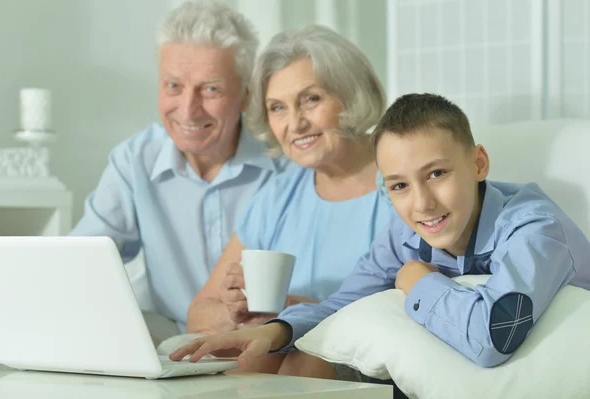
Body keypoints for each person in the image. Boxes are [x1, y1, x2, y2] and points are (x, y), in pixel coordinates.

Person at [170, 93, 590, 371]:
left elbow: (492, 337)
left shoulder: (535, 229)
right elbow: (346, 303)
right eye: (400, 186)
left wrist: (416, 279)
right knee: (299, 356)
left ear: (478, 164)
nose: (422, 203)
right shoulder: (404, 235)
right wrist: (274, 329)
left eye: (437, 173)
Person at [70, 1, 288, 343]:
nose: (187, 110)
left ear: (246, 96)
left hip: (260, 344)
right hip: (168, 342)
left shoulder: (284, 165)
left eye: (211, 89)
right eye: (173, 86)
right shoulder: (134, 160)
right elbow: (81, 263)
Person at [183, 25, 393, 376]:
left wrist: (301, 314)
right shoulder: (278, 195)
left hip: (369, 359)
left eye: (311, 99)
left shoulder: (402, 176)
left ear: (351, 95)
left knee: (305, 359)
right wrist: (238, 312)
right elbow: (199, 312)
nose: (294, 123)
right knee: (257, 357)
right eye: (277, 107)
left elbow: (419, 299)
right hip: (283, 358)